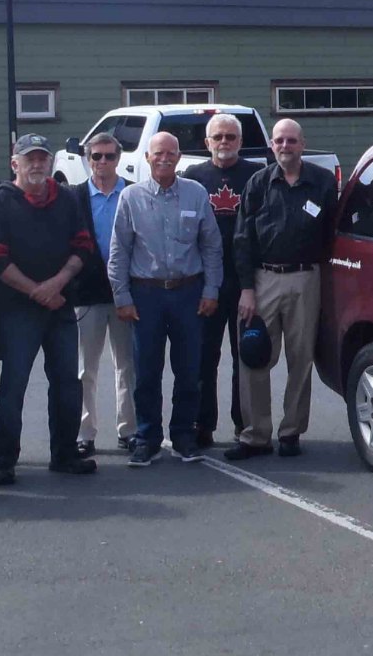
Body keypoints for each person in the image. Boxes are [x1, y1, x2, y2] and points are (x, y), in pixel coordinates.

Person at [0, 134, 97, 485]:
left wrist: (56, 285)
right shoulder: (0, 202)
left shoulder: (68, 198)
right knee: (13, 385)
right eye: (29, 159)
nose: (37, 164)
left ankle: (63, 455)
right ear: (15, 163)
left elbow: (83, 246)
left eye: (42, 158)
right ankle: (4, 460)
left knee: (67, 385)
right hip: (17, 310)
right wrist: (37, 291)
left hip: (60, 306)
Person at [107, 132, 222, 466]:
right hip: (146, 295)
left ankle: (184, 436)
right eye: (158, 153)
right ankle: (147, 438)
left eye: (171, 153)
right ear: (147, 157)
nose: (164, 158)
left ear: (179, 157)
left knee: (189, 370)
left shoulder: (196, 194)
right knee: (146, 372)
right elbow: (120, 251)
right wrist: (122, 297)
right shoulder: (131, 197)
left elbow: (211, 246)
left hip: (189, 292)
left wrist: (211, 290)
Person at [227, 118, 338, 461]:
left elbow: (334, 233)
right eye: (279, 141)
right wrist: (247, 289)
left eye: (292, 140)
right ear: (271, 146)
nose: (285, 146)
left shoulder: (321, 183)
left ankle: (291, 432)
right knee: (254, 355)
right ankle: (256, 434)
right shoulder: (258, 184)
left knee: (301, 358)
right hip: (263, 280)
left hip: (307, 278)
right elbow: (242, 239)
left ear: (303, 144)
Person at [182, 112, 265, 447]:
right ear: (207, 143)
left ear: (241, 142)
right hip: (206, 283)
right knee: (204, 355)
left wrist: (253, 283)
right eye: (218, 137)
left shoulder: (256, 175)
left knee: (244, 354)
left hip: (246, 280)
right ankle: (203, 424)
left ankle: (242, 422)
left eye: (231, 137)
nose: (224, 143)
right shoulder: (193, 176)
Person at [70, 131, 136, 457]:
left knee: (128, 365)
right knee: (85, 369)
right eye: (96, 156)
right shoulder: (74, 197)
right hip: (87, 294)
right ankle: (85, 433)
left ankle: (130, 431)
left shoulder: (133, 194)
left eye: (109, 156)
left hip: (127, 293)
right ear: (87, 158)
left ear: (118, 158)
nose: (103, 162)